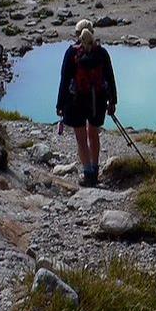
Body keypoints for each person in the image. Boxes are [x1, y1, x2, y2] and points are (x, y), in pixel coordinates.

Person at [56, 20, 117, 187]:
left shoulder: (71, 53)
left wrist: (60, 105)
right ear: (93, 32)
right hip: (97, 101)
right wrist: (112, 101)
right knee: (93, 134)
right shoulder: (102, 53)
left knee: (81, 139)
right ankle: (95, 171)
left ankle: (88, 174)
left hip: (76, 102)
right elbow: (110, 78)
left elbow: (64, 80)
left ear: (77, 34)